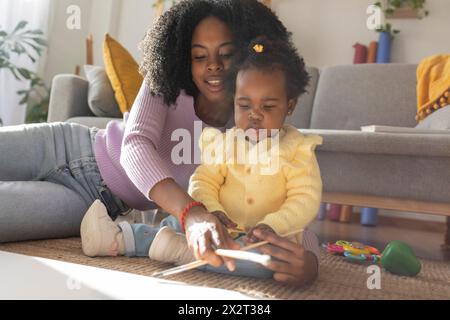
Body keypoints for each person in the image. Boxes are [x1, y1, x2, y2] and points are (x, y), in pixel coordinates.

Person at [0, 0, 315, 286]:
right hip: (67, 143)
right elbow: (135, 144)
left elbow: (293, 195)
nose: (213, 65)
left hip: (93, 202)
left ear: (248, 53)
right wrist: (191, 213)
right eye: (199, 55)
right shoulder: (167, 82)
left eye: (227, 54)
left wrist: (310, 262)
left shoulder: (254, 127)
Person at [81, 37, 321, 285]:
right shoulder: (225, 142)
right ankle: (122, 236)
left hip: (262, 238)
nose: (255, 116)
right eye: (244, 105)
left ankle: (167, 247)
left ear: (289, 105)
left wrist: (277, 229)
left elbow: (305, 200)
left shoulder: (298, 150)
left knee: (270, 262)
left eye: (268, 106)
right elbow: (203, 179)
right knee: (176, 222)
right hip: (216, 224)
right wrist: (209, 209)